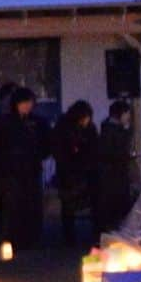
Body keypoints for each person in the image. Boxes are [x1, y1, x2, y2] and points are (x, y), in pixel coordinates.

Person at [0, 87, 51, 248]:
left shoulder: (38, 123)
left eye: (29, 103)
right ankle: (13, 238)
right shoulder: (6, 123)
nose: (26, 106)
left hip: (32, 170)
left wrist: (40, 154)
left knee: (32, 205)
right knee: (13, 206)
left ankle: (31, 238)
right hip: (11, 171)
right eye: (23, 103)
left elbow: (47, 143)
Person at [51, 100, 98, 246]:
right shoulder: (64, 128)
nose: (86, 121)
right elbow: (59, 150)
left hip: (85, 170)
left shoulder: (89, 129)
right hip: (69, 172)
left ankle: (92, 234)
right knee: (68, 204)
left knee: (90, 202)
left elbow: (93, 146)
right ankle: (69, 237)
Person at [97, 99, 137, 235]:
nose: (128, 117)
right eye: (127, 113)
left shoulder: (107, 129)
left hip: (112, 176)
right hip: (115, 177)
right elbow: (116, 153)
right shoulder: (115, 131)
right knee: (117, 209)